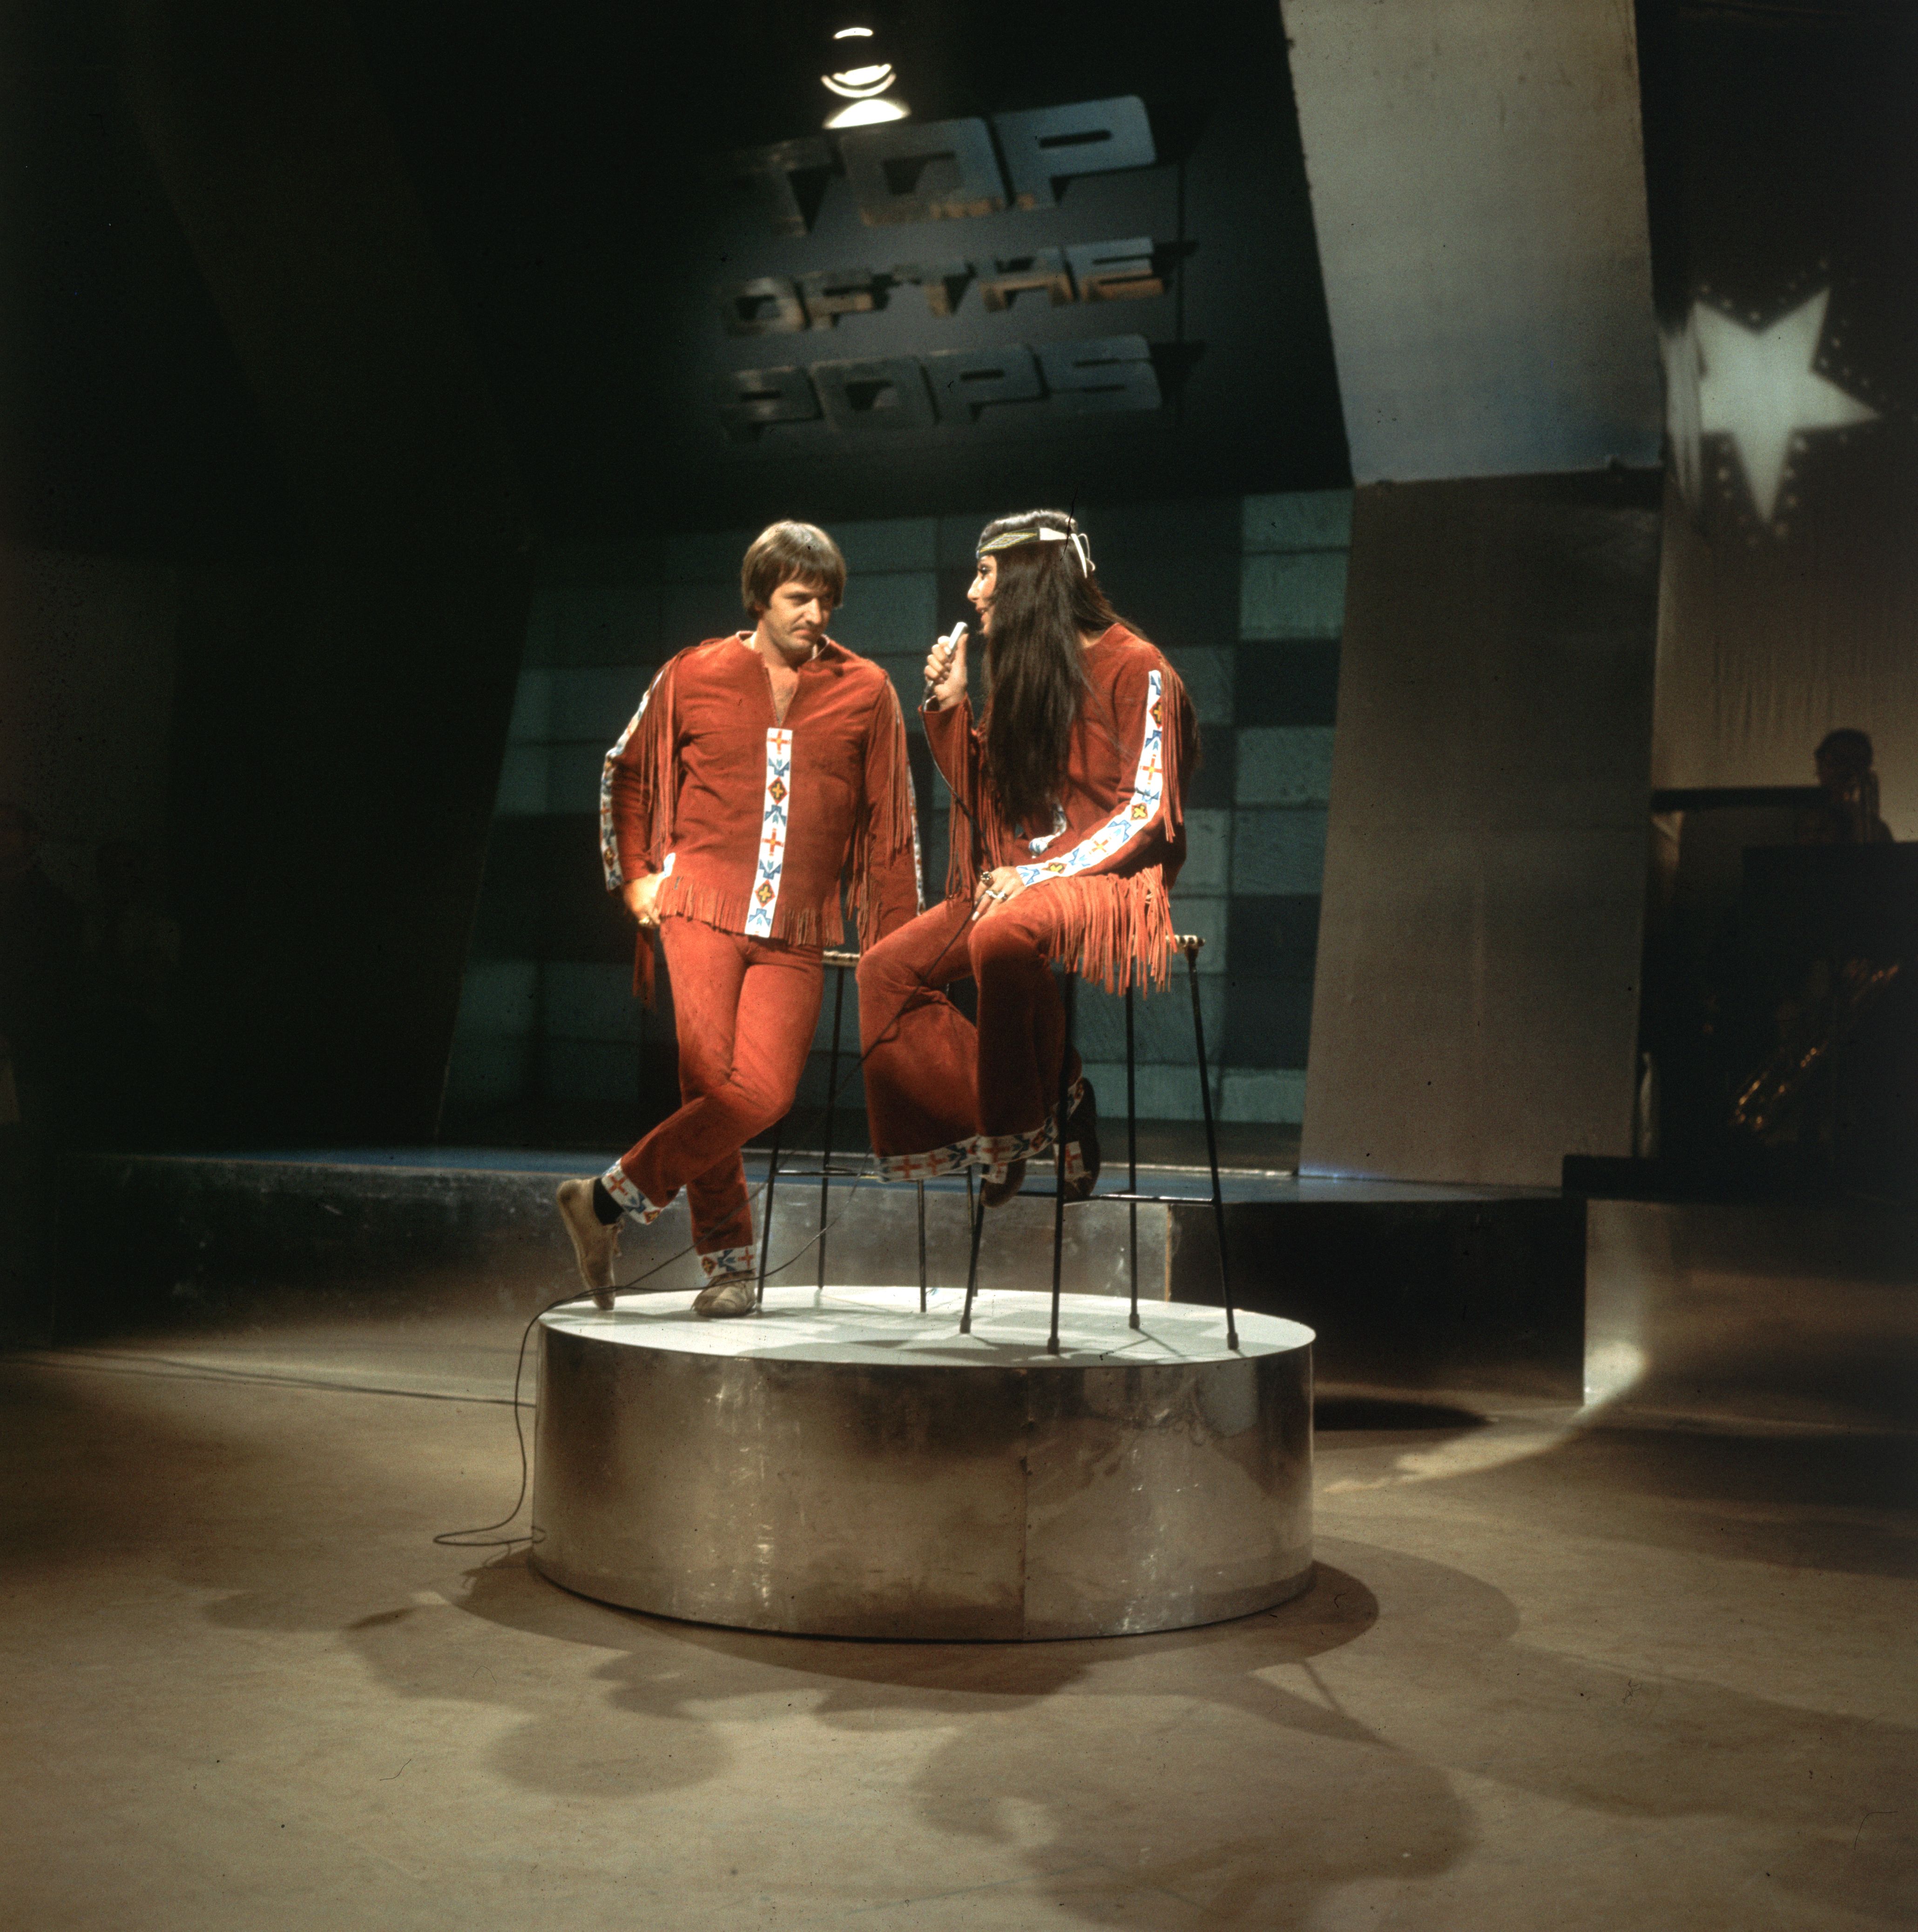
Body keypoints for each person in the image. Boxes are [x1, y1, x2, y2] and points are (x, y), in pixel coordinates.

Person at [554, 522, 922, 1315]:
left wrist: (899, 951)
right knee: (709, 1082)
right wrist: (635, 880)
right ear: (760, 596)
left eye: (827, 599)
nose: (816, 613)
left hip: (797, 926)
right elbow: (624, 770)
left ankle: (606, 1199)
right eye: (799, 597)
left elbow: (893, 830)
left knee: (761, 1091)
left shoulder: (867, 690)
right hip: (699, 909)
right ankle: (730, 1267)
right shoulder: (694, 672)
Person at [857, 510, 1199, 1205]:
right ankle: (1056, 1094)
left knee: (1003, 934)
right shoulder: (1028, 672)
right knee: (885, 971)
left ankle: (1011, 1130)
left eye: (986, 574)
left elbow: (1145, 813)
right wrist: (950, 707)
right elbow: (994, 801)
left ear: (1027, 579)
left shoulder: (1142, 667)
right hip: (1023, 882)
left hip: (1114, 880)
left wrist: (1035, 875)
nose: (975, 592)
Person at [1796, 728, 1893, 845]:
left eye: (1857, 763)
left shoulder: (1875, 829)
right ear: (1820, 765)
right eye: (1839, 760)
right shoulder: (1794, 814)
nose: (1846, 770)